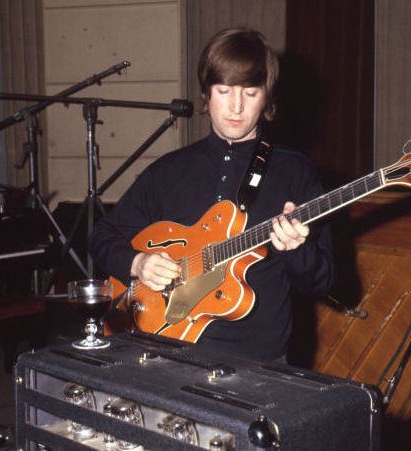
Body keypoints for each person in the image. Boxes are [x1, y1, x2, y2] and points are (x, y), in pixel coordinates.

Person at [90, 28, 333, 361]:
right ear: (206, 95)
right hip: (164, 354)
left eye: (250, 92)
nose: (236, 107)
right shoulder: (169, 171)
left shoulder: (295, 171)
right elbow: (103, 235)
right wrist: (137, 262)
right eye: (224, 91)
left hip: (258, 364)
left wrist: (296, 249)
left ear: (267, 97)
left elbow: (323, 281)